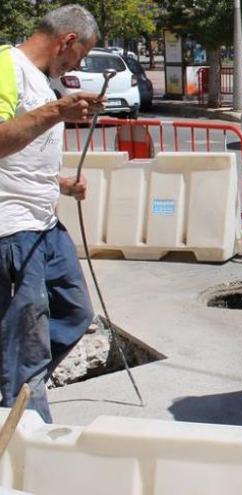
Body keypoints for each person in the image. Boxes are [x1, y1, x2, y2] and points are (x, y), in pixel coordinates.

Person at [0, 4, 105, 422]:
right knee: (27, 352)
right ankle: (27, 444)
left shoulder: (44, 84)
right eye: (79, 56)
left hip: (44, 225)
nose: (76, 66)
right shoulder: (7, 66)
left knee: (75, 312)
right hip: (12, 230)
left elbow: (21, 159)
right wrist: (57, 112)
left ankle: (15, 379)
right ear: (67, 41)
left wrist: (61, 183)